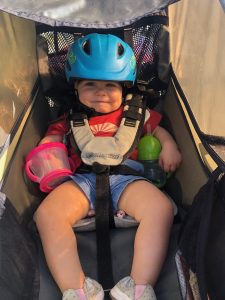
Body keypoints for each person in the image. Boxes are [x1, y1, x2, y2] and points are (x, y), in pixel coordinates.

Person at [33, 33, 182, 300]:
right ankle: (77, 289)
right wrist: (48, 147)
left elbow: (158, 131)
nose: (101, 92)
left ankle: (138, 287)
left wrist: (169, 146)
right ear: (75, 87)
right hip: (82, 180)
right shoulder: (69, 118)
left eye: (110, 85)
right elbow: (51, 140)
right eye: (90, 84)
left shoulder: (135, 113)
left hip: (127, 179)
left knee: (160, 209)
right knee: (46, 215)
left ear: (124, 88)